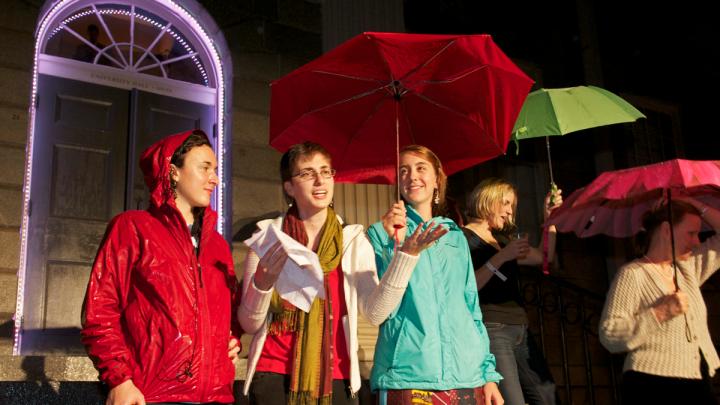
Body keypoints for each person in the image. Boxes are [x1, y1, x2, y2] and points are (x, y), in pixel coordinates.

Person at [237, 141, 446, 405]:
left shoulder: (352, 240)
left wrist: (407, 256)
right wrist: (262, 284)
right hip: (274, 376)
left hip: (335, 377)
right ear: (289, 187)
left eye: (326, 171)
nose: (319, 180)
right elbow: (249, 323)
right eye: (307, 173)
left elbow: (375, 312)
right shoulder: (268, 238)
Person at [81, 130, 241, 405]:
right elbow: (100, 310)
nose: (214, 178)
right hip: (151, 395)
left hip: (216, 396)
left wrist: (231, 339)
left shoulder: (218, 246)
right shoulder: (132, 227)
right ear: (173, 171)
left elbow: (230, 314)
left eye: (215, 170)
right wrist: (120, 380)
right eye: (204, 168)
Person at [367, 145, 504, 405]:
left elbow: (471, 307)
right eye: (404, 171)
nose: (412, 176)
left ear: (437, 180)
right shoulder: (381, 233)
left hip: (467, 375)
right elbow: (380, 309)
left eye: (421, 168)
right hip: (408, 376)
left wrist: (488, 375)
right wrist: (392, 244)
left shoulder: (455, 237)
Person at [599, 199, 720, 404]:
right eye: (691, 233)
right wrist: (659, 313)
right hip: (653, 384)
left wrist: (692, 202)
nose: (697, 241)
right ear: (666, 230)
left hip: (698, 379)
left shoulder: (687, 270)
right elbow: (609, 334)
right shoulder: (633, 274)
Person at [461, 178, 562, 405]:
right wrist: (502, 256)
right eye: (505, 203)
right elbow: (469, 286)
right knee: (512, 401)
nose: (509, 211)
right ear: (488, 200)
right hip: (493, 328)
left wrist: (550, 218)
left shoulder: (502, 240)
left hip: (521, 329)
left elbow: (546, 257)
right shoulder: (462, 238)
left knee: (547, 397)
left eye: (512, 207)